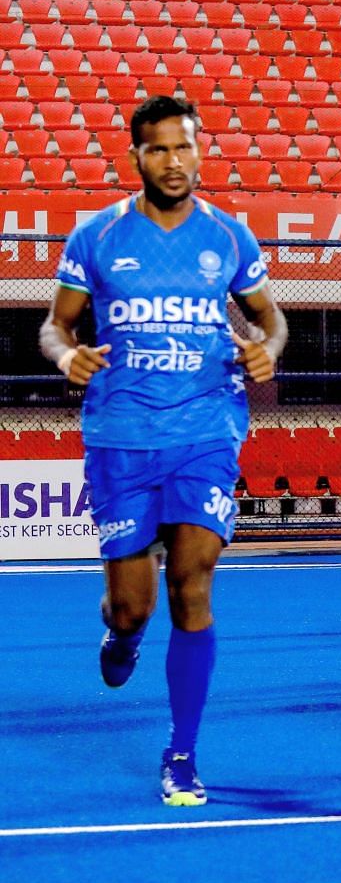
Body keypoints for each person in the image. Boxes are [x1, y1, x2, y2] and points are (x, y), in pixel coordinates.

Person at [41, 95, 286, 807]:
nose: (174, 162)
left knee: (193, 581)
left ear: (199, 150)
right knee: (132, 606)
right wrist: (66, 357)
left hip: (206, 431)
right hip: (121, 436)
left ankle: (182, 752)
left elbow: (272, 319)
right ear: (135, 156)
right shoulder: (96, 236)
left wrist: (266, 351)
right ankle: (120, 638)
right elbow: (54, 326)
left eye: (184, 148)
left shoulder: (230, 237)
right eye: (158, 150)